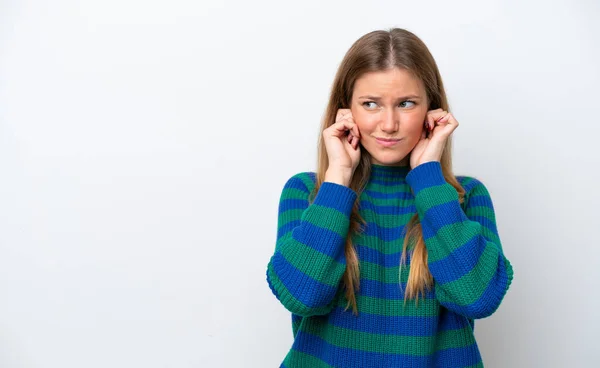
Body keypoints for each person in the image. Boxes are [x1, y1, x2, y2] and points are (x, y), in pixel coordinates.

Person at [265, 27, 514, 368]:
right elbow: (302, 295)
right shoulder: (309, 193)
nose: (389, 124)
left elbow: (478, 297)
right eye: (370, 104)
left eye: (406, 103)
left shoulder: (464, 197)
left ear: (432, 110)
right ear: (345, 111)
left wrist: (428, 176)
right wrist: (338, 179)